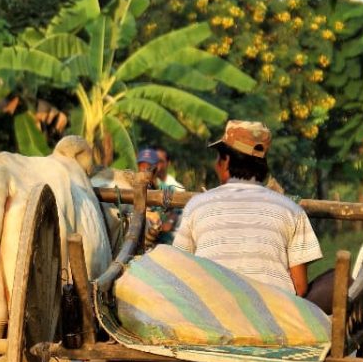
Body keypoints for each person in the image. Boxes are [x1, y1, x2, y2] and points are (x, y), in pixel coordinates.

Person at [172, 120, 321, 296]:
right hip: (272, 315)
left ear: (226, 162)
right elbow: (300, 287)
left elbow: (178, 271)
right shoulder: (291, 210)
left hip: (211, 312)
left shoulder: (198, 206)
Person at [137, 147, 178, 248]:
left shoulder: (166, 189)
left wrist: (169, 222)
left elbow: (174, 213)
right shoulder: (132, 188)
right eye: (141, 166)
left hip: (162, 240)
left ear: (156, 167)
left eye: (148, 167)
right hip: (137, 238)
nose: (144, 170)